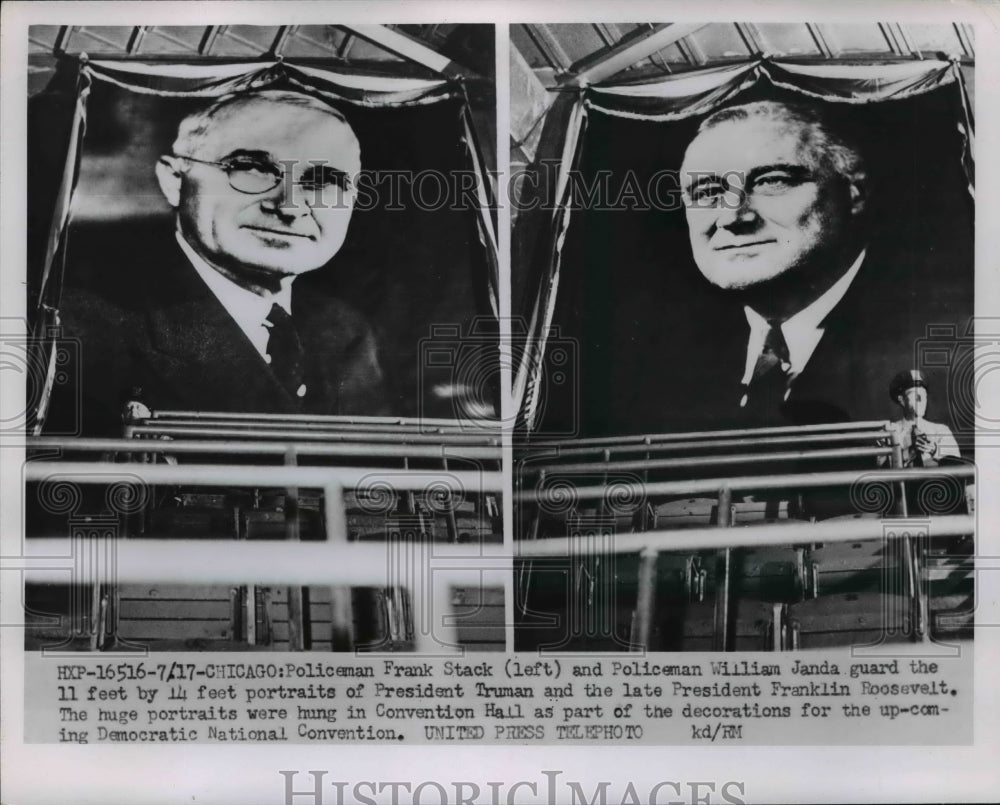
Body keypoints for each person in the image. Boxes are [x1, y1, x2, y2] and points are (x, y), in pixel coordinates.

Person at [49, 89, 387, 436]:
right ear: (175, 181)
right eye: (253, 169)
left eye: (324, 181)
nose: (290, 206)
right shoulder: (84, 327)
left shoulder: (342, 331)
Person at [647, 99, 966, 431]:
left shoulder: (948, 344)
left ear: (855, 192)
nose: (731, 217)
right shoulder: (660, 360)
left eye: (771, 181)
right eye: (707, 191)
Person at [883, 370, 960, 467]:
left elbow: (957, 465)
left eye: (924, 395)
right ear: (902, 400)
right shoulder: (888, 432)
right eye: (915, 396)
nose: (921, 399)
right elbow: (881, 468)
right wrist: (909, 452)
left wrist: (935, 449)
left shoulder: (941, 431)